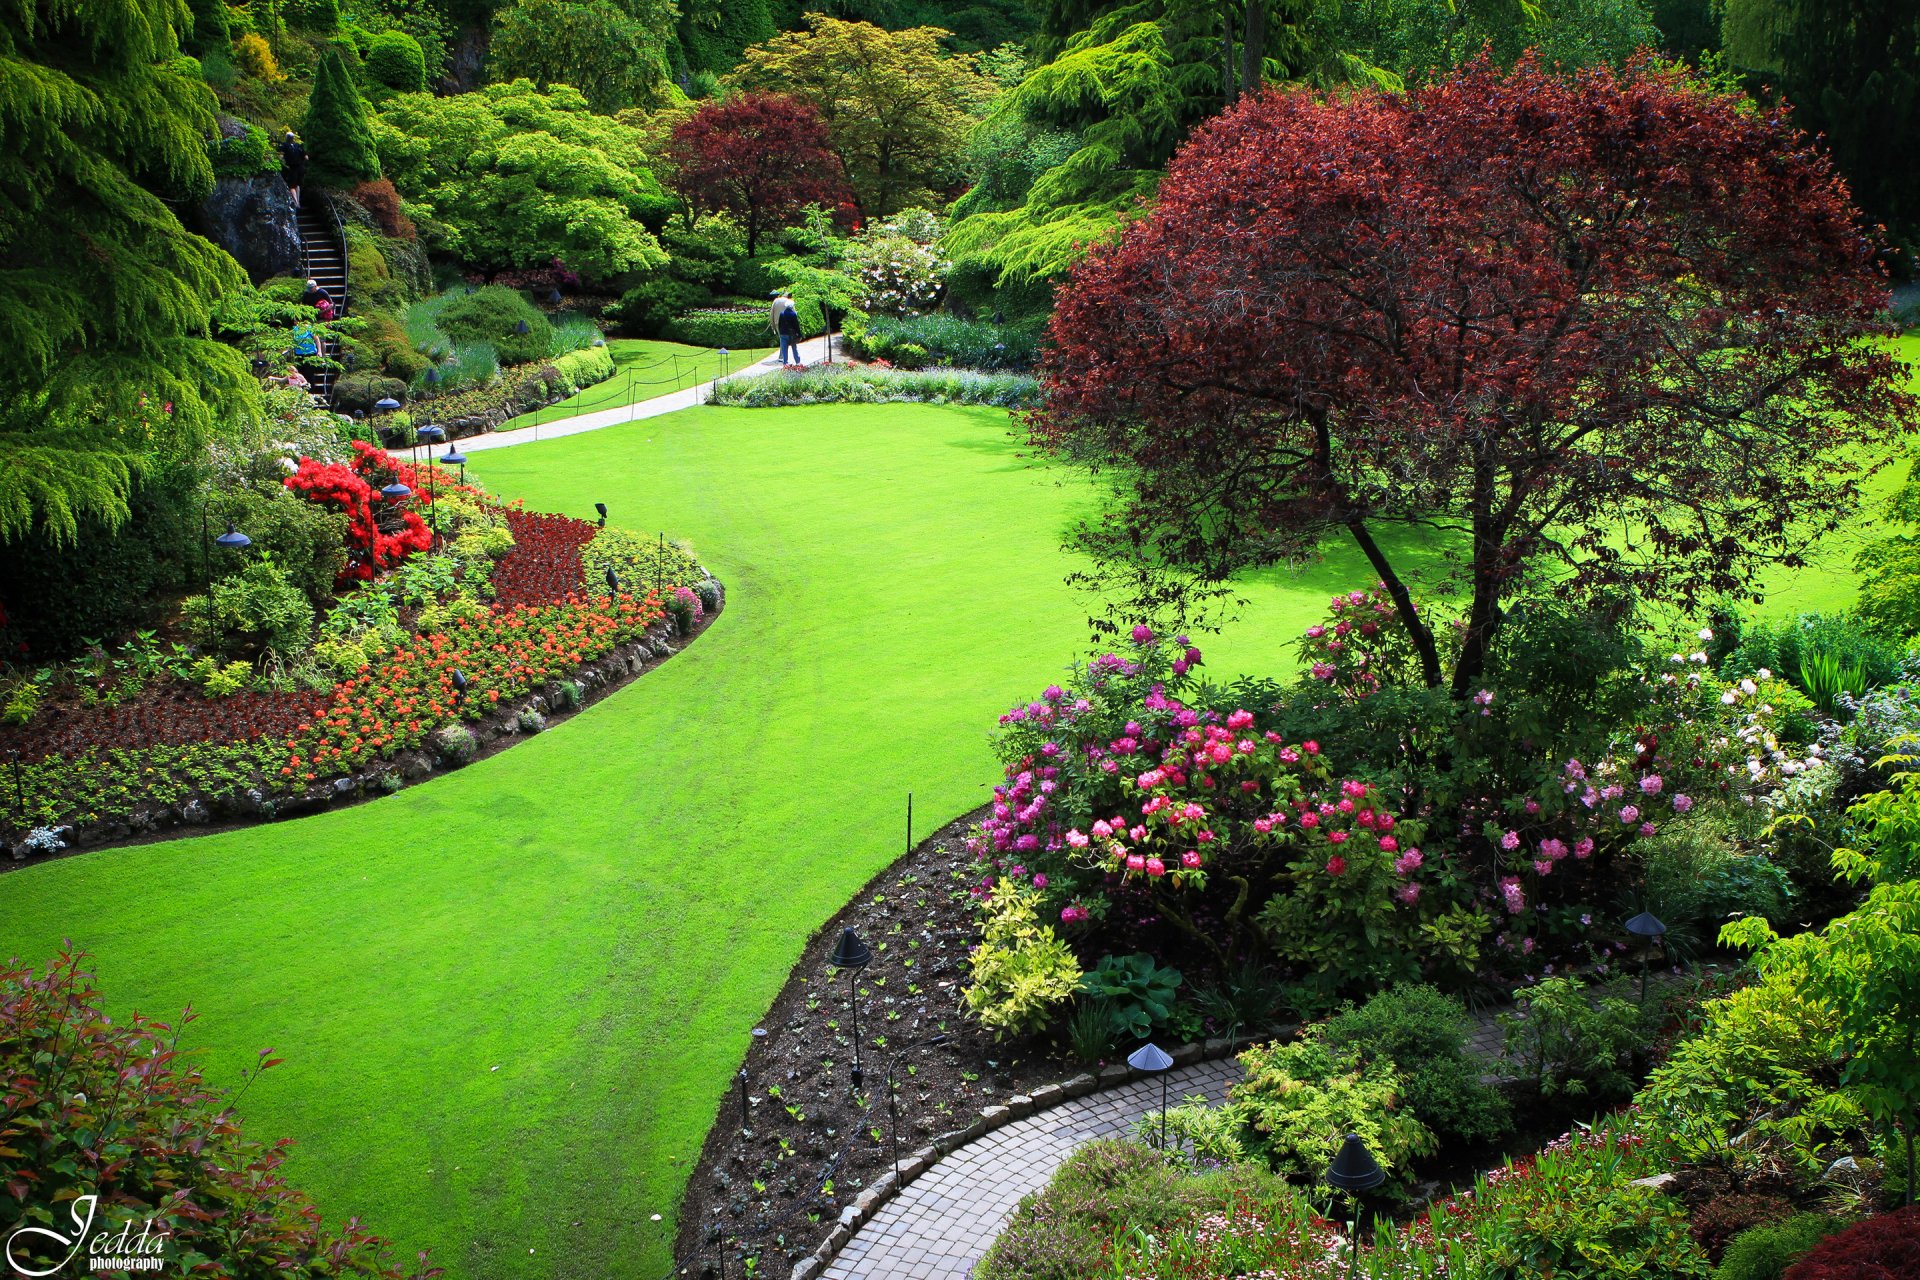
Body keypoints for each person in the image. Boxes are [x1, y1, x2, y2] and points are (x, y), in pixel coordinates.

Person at [772, 291, 803, 368]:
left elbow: (779, 324)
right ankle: (798, 362)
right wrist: (799, 334)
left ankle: (785, 363)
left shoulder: (782, 314)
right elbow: (796, 326)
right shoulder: (793, 314)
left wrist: (780, 331)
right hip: (791, 334)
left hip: (783, 334)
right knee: (794, 348)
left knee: (784, 349)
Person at [280, 131, 307, 209]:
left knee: (292, 186)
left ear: (286, 138)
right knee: (298, 185)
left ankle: (296, 202)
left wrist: (284, 163)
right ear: (293, 138)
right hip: (301, 167)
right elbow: (306, 157)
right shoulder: (298, 146)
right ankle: (298, 201)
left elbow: (281, 157)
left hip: (292, 167)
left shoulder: (284, 145)